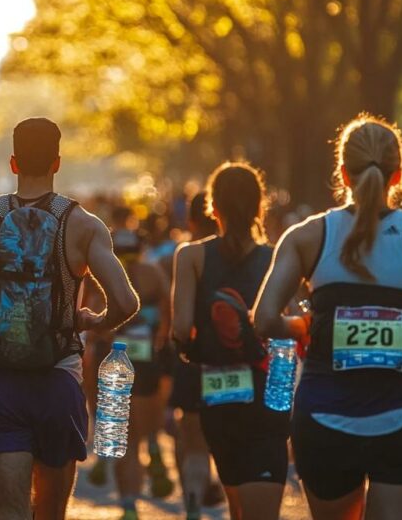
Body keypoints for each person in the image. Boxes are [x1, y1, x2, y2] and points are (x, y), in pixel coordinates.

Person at [253, 116, 402, 519]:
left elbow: (265, 319)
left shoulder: (307, 237)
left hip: (325, 418)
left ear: (342, 173)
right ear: (399, 175)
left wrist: (303, 326)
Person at [0, 117, 139, 520]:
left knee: (10, 512)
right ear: (57, 163)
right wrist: (91, 321)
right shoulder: (83, 225)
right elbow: (126, 302)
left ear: (13, 163)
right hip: (58, 381)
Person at [172, 162, 288, 520]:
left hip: (215, 396)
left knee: (237, 502)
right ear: (259, 207)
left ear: (213, 207)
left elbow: (180, 328)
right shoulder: (279, 257)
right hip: (267, 397)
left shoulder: (191, 256)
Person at [100, 226, 172, 520]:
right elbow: (168, 313)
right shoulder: (153, 273)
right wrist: (158, 344)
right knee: (144, 428)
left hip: (114, 362)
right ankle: (154, 444)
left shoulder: (103, 276)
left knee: (123, 437)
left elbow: (94, 323)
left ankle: (129, 503)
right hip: (148, 362)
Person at [167, 193, 225, 518]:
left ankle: (192, 501)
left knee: (193, 443)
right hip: (238, 365)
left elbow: (179, 324)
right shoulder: (251, 255)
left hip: (193, 362)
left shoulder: (186, 256)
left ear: (191, 220)